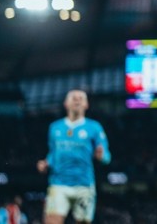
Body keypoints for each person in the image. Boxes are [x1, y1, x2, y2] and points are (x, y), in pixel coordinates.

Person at [36, 90, 110, 224]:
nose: (77, 100)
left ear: (86, 104)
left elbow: (107, 155)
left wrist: (101, 156)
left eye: (81, 98)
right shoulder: (55, 127)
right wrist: (46, 162)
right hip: (58, 183)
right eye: (73, 98)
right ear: (65, 103)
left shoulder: (94, 127)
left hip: (84, 185)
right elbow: (53, 153)